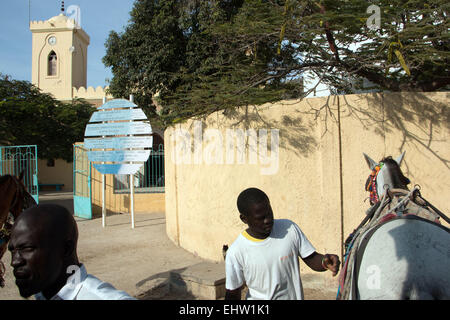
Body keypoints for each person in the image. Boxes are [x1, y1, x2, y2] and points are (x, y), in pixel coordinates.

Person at [225, 187, 340, 300]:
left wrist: (325, 261)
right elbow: (233, 294)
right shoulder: (236, 252)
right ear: (244, 219)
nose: (268, 220)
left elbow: (311, 258)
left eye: (269, 213)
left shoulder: (289, 228)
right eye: (261, 218)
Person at [8, 204, 136, 300]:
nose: (14, 262)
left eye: (27, 248)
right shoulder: (42, 294)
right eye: (12, 251)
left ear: (66, 249)